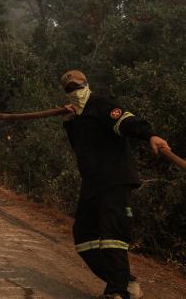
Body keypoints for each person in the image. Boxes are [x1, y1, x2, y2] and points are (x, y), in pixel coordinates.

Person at [60, 70, 170, 299]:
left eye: (78, 87)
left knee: (113, 236)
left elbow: (124, 120)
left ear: (87, 85)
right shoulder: (77, 118)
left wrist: (150, 135)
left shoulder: (101, 104)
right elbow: (80, 149)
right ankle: (125, 282)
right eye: (70, 89)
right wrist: (70, 123)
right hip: (92, 184)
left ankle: (117, 292)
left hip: (114, 179)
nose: (75, 92)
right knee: (83, 238)